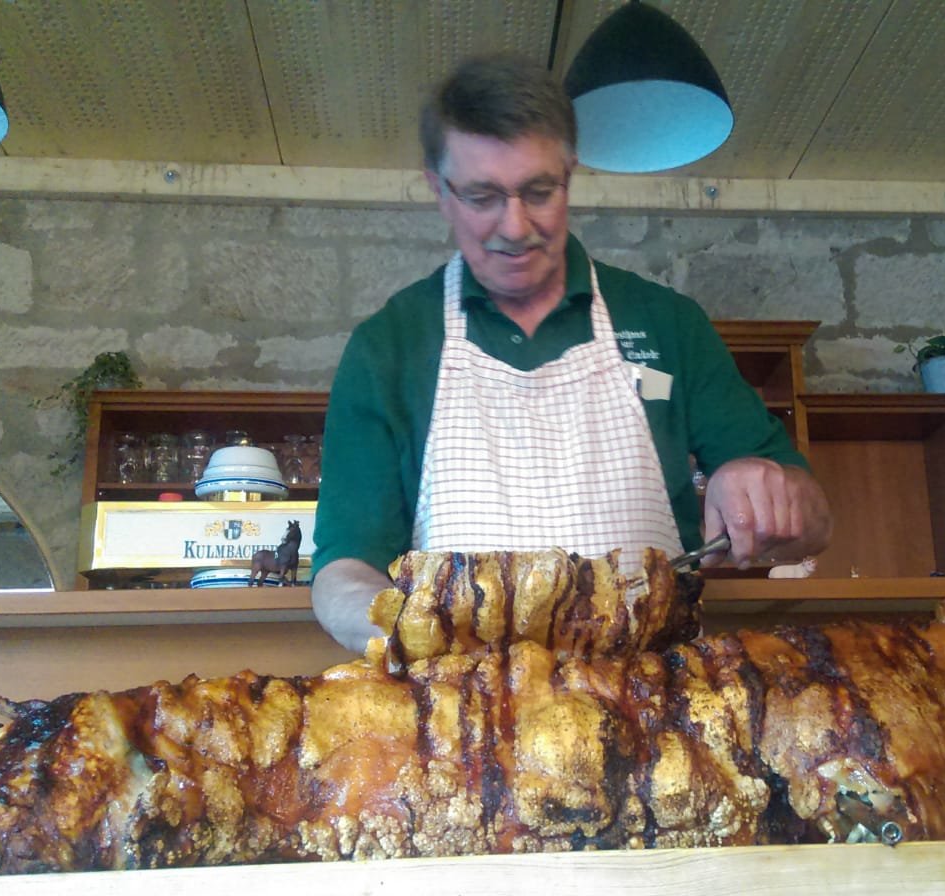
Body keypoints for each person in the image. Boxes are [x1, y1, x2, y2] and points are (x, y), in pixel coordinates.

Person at [310, 54, 830, 652]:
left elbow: (815, 524)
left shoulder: (665, 326)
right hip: (470, 716)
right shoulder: (390, 347)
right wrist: (414, 636)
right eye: (482, 196)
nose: (514, 226)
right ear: (438, 188)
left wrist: (766, 491)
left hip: (659, 709)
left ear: (570, 172)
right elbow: (341, 570)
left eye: (538, 191)